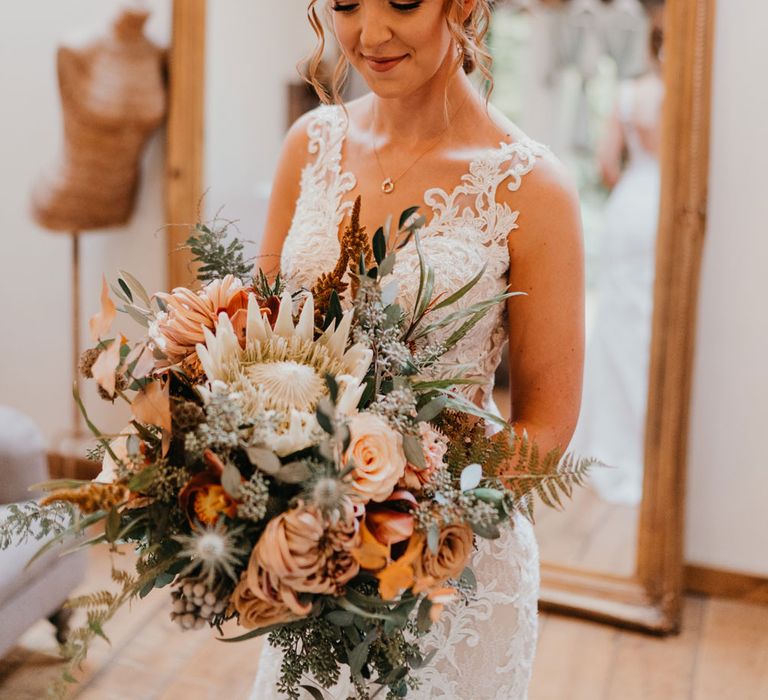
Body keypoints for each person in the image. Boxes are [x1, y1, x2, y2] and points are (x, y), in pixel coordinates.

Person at [252, 1, 584, 697]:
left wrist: (397, 514)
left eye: (402, 1)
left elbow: (546, 433)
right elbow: (259, 343)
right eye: (346, 4)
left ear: (464, 3)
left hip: (448, 567)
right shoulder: (308, 146)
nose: (369, 35)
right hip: (311, 550)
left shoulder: (535, 189)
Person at [568, 0, 664, 506]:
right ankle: (652, 446)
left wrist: (631, 183)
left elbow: (608, 163)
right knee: (654, 331)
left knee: (620, 326)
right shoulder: (685, 97)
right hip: (666, 208)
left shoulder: (629, 95)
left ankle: (611, 443)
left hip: (631, 208)